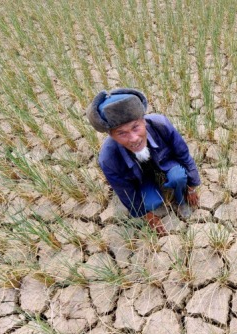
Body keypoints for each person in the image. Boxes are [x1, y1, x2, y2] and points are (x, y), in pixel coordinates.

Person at [86, 88, 200, 235]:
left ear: (144, 121)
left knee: (178, 176)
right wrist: (145, 214)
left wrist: (192, 187)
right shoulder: (108, 158)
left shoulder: (162, 125)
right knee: (152, 203)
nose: (134, 138)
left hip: (166, 164)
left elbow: (184, 156)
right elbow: (125, 191)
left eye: (135, 127)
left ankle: (180, 200)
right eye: (121, 133)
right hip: (141, 179)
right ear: (111, 136)